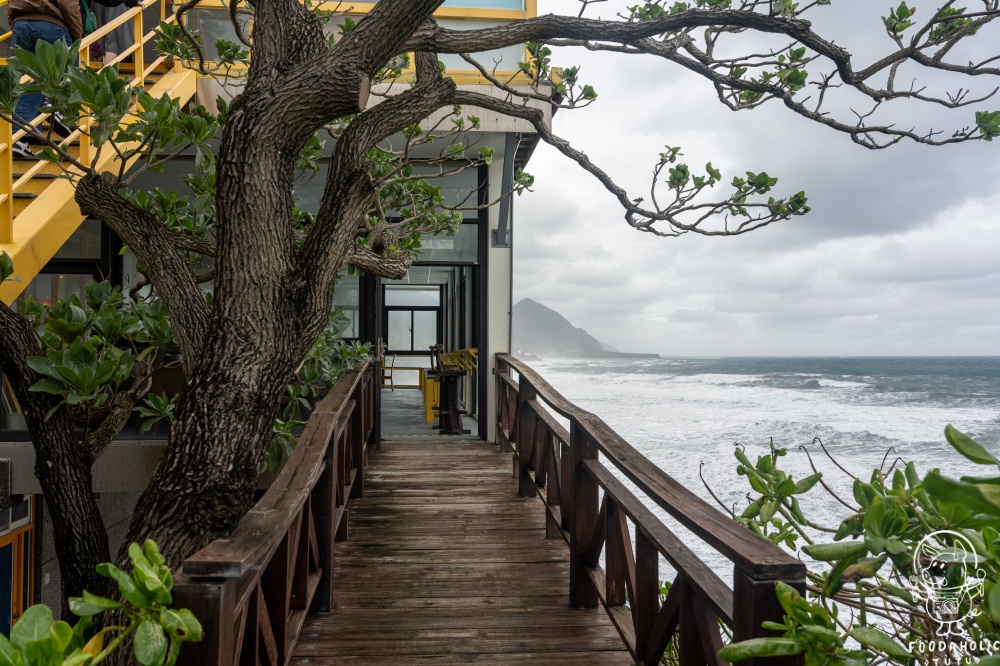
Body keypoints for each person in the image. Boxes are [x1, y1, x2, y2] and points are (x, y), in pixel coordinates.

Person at [8, 0, 138, 159]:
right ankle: (60, 111)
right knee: (72, 72)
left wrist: (16, 24)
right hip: (50, 24)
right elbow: (68, 3)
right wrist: (77, 38)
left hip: (20, 24)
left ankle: (20, 139)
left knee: (26, 82)